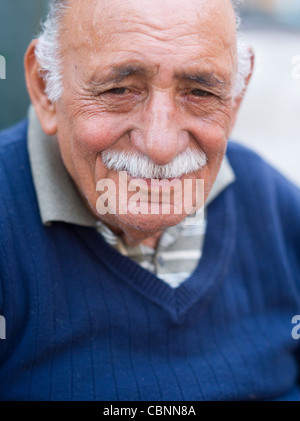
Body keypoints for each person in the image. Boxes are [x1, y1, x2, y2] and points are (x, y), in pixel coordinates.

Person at [0, 0, 299, 401]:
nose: (160, 146)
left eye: (199, 91)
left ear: (235, 99)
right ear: (44, 87)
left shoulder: (275, 208)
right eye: (119, 89)